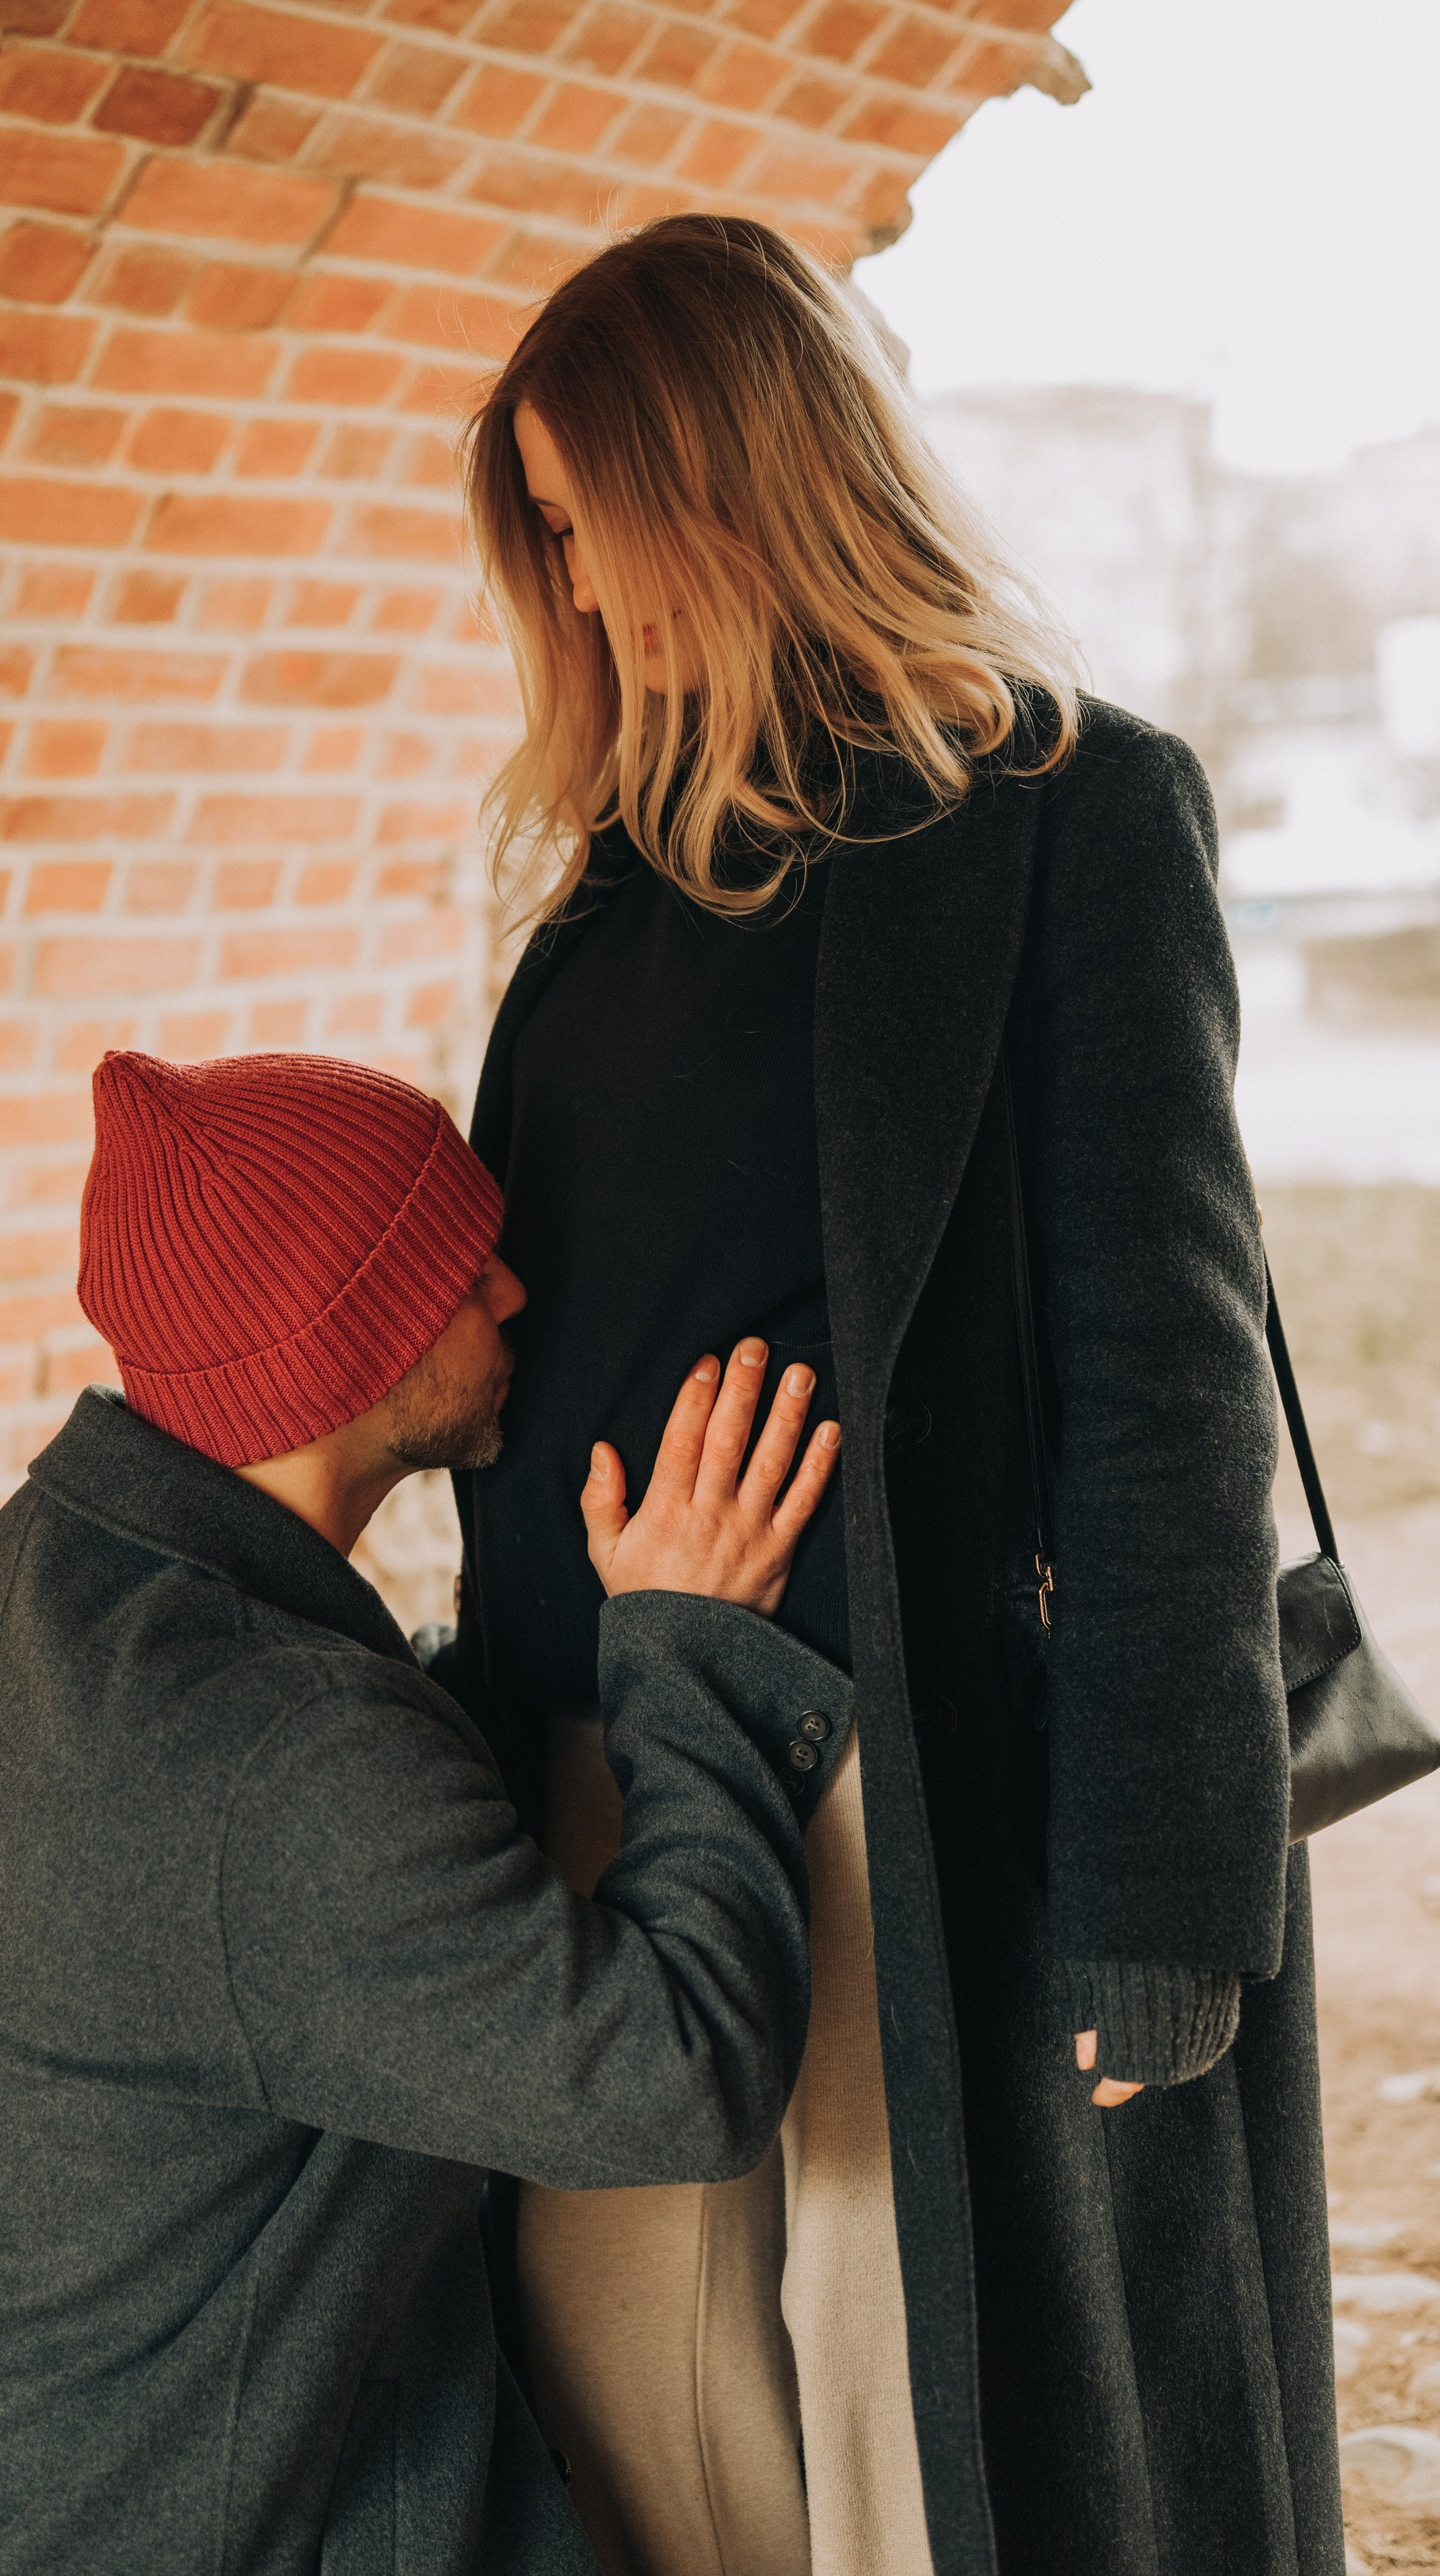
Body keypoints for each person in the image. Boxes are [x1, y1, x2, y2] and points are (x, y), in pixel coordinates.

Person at [447, 215, 1343, 2576]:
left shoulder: (1067, 818)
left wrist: (1170, 1881)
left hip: (915, 1810)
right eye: (533, 528)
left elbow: (1175, 1383)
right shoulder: (601, 905)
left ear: (727, 472)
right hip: (599, 1803)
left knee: (931, 2468)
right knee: (642, 2451)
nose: (570, 580)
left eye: (582, 510)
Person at [0, 1045, 852, 2576]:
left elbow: (285, 1875)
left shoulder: (59, 1565)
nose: (512, 1295)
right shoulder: (282, 1752)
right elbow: (675, 2078)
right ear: (345, 1346)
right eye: (453, 1271)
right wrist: (690, 1652)